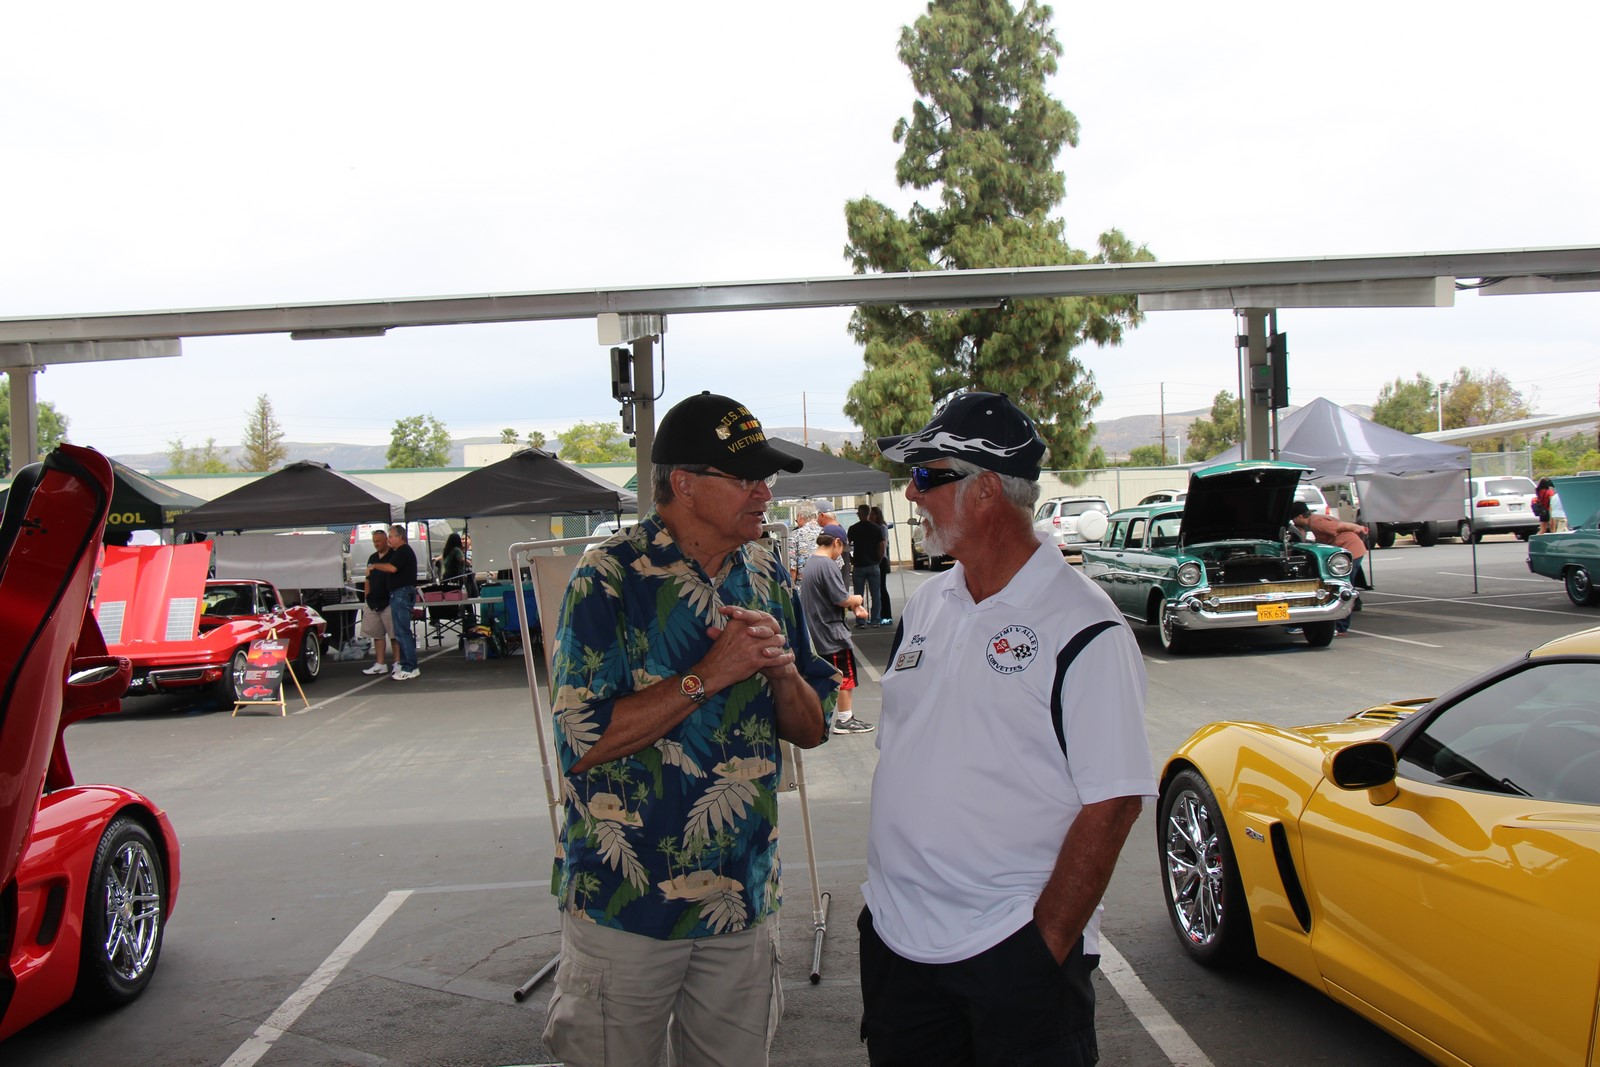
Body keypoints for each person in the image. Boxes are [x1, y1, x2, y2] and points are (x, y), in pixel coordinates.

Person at [542, 391, 839, 1067]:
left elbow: (813, 727)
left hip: (743, 901)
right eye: (746, 478)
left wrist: (782, 672)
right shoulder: (609, 577)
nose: (765, 492)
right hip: (627, 906)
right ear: (683, 483)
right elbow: (579, 744)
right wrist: (709, 672)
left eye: (767, 478)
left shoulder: (765, 571)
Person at [861, 391, 1154, 1067]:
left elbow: (1112, 805)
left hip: (1009, 954)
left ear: (985, 489)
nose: (911, 492)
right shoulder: (930, 602)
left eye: (929, 476)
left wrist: (1038, 951)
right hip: (899, 949)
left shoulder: (1085, 626)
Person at [800, 532, 874, 735]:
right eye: (842, 549)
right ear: (837, 543)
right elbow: (840, 598)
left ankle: (827, 719)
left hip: (820, 627)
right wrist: (857, 599)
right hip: (830, 631)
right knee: (843, 676)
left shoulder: (813, 562)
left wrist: (853, 606)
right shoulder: (826, 565)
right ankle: (845, 719)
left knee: (828, 678)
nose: (841, 554)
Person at [1288, 501, 1369, 635]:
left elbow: (1341, 526)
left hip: (1350, 551)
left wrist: (1358, 528)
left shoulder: (1317, 522)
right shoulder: (1314, 522)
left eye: (1293, 518)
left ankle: (1341, 627)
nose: (1293, 522)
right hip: (1348, 551)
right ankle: (1356, 604)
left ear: (1300, 517)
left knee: (1345, 586)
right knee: (1348, 582)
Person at [370, 524, 421, 679]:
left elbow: (392, 568)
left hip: (402, 594)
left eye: (391, 536)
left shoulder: (403, 551)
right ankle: (406, 664)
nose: (389, 540)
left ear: (400, 537)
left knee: (402, 631)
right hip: (398, 594)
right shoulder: (399, 552)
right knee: (399, 632)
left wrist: (375, 566)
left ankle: (410, 667)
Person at [360, 528, 400, 675]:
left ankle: (397, 662)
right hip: (373, 600)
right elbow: (367, 578)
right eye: (374, 542)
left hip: (389, 600)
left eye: (378, 541)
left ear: (386, 541)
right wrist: (367, 595)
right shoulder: (372, 557)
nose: (376, 544)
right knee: (377, 635)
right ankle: (380, 663)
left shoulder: (394, 555)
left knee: (394, 635)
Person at [847, 504, 884, 627]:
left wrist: (851, 559)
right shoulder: (876, 528)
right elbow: (882, 547)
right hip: (873, 564)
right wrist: (878, 560)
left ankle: (861, 620)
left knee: (859, 595)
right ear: (869, 514)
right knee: (876, 594)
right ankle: (875, 620)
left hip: (859, 565)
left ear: (859, 514)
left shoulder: (853, 529)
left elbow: (846, 546)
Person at [869, 505, 893, 625]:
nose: (871, 517)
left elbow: (883, 546)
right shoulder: (871, 528)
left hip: (881, 561)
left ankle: (886, 615)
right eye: (870, 515)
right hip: (874, 560)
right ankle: (876, 614)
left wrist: (878, 560)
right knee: (875, 589)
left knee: (882, 588)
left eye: (873, 514)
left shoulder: (882, 527)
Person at [788, 503, 821, 580]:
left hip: (804, 586)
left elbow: (792, 568)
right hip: (825, 586)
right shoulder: (827, 532)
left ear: (800, 516)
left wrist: (791, 590)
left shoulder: (795, 535)